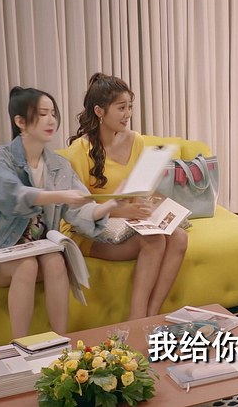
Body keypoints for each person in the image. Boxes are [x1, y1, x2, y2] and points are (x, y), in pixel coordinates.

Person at [0, 86, 120, 339]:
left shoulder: (59, 165)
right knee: (27, 265)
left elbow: (80, 209)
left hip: (36, 249)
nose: (51, 120)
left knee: (56, 260)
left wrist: (111, 204)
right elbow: (13, 196)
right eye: (42, 114)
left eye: (52, 113)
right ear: (20, 122)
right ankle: (20, 346)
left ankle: (60, 344)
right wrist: (60, 195)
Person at [63, 73, 188, 321]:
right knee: (154, 241)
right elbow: (76, 211)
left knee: (179, 237)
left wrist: (151, 208)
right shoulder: (79, 151)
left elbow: (141, 190)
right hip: (88, 230)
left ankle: (152, 315)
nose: (127, 114)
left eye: (129, 107)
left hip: (130, 222)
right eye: (121, 108)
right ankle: (137, 320)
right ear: (99, 111)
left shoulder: (136, 140)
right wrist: (121, 211)